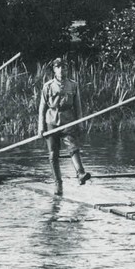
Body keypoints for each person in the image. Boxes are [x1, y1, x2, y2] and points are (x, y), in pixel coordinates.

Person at [38, 57, 91, 195]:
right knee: (53, 154)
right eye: (59, 67)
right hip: (51, 122)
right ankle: (58, 184)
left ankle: (80, 173)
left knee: (73, 147)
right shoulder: (48, 86)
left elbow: (78, 106)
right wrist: (40, 127)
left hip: (68, 121)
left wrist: (80, 123)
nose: (62, 70)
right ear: (54, 70)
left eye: (64, 67)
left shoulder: (73, 85)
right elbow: (42, 108)